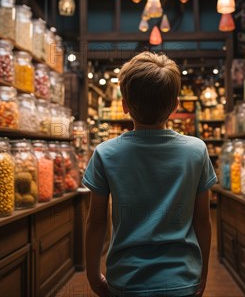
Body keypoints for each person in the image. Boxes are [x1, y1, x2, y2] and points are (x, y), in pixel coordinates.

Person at [83, 52, 217, 297]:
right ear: (176, 106)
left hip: (126, 280)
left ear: (124, 104)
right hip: (182, 279)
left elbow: (96, 222)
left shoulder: (105, 153)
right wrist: (203, 274)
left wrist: (93, 276)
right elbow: (202, 221)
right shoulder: (197, 151)